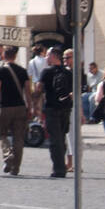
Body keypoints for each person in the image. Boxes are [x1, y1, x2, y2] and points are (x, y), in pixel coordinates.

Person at [0, 45, 32, 176]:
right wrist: (29, 107)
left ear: (4, 56)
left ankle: (8, 154)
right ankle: (15, 168)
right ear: (15, 56)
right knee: (18, 138)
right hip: (20, 107)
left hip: (5, 107)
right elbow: (27, 90)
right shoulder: (22, 71)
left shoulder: (1, 71)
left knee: (0, 134)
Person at [36, 48, 74, 178]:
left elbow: (38, 89)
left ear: (53, 56)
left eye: (48, 55)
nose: (46, 58)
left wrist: (36, 107)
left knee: (54, 140)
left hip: (52, 108)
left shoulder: (46, 72)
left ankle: (58, 169)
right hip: (66, 109)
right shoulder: (69, 73)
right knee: (61, 138)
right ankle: (61, 165)